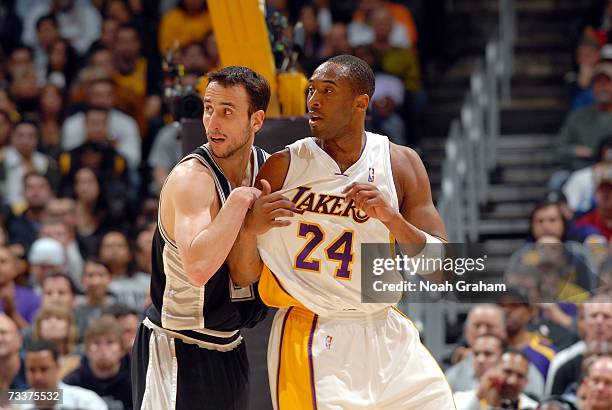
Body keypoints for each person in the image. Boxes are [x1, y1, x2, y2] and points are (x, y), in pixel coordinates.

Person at [229, 55, 454, 409]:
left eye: (328, 91)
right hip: (314, 333)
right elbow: (242, 275)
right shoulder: (284, 166)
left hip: (385, 329)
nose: (313, 101)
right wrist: (248, 230)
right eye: (311, 90)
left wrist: (393, 220)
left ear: (360, 102)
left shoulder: (400, 163)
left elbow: (442, 269)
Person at [131, 66, 270, 410]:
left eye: (227, 112)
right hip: (177, 347)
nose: (213, 123)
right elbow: (198, 269)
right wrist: (238, 200)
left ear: (257, 120)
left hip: (231, 345)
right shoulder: (192, 179)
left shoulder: (267, 167)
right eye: (209, 108)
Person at [18, 339, 108, 410]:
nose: (38, 377)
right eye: (32, 370)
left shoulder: (86, 402)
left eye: (44, 369)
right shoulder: (17, 405)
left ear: (57, 367)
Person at [454, 349, 539, 410]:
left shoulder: (532, 407)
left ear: (526, 382)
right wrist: (478, 395)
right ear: (493, 370)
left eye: (520, 376)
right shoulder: (460, 399)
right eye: (508, 372)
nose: (512, 381)